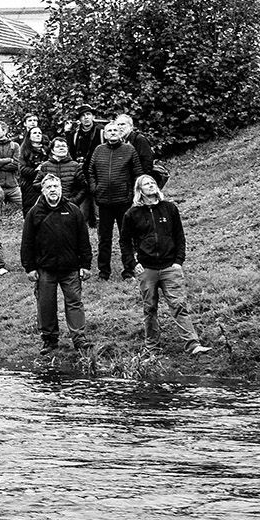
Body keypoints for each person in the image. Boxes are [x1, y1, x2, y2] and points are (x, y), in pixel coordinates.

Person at [124, 174, 207, 353]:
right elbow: (125, 242)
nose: (151, 185)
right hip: (147, 268)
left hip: (170, 267)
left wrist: (178, 261)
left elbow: (179, 236)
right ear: (140, 190)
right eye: (147, 184)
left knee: (179, 305)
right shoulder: (132, 214)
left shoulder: (170, 208)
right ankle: (152, 348)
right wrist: (132, 263)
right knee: (150, 308)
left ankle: (192, 344)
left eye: (153, 182)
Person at [21, 173, 92, 354]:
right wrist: (29, 268)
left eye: (56, 186)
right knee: (46, 304)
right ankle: (50, 340)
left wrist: (85, 264)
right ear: (43, 191)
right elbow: (27, 242)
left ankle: (79, 339)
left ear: (61, 189)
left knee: (74, 302)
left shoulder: (74, 210)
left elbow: (84, 239)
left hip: (70, 268)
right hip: (45, 269)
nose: (53, 190)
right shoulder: (34, 213)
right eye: (49, 187)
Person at [86, 117, 144, 280]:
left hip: (124, 201)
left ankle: (128, 270)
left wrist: (133, 195)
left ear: (120, 134)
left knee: (126, 237)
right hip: (103, 202)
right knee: (104, 238)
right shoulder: (98, 150)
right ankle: (104, 272)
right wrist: (95, 189)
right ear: (104, 134)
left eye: (115, 130)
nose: (112, 132)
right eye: (109, 130)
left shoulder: (129, 150)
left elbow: (137, 174)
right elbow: (91, 172)